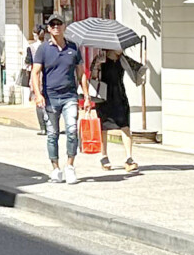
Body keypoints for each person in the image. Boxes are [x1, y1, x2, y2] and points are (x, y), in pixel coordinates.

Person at [28, 16, 85, 184]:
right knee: (52, 134)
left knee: (72, 130)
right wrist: (38, 95)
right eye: (52, 25)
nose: (56, 27)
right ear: (48, 29)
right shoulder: (43, 49)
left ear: (64, 26)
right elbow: (35, 73)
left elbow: (81, 73)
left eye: (59, 24)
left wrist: (87, 96)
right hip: (50, 97)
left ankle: (70, 167)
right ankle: (55, 169)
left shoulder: (73, 47)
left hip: (70, 96)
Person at [92, 47, 135, 173]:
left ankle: (129, 158)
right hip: (104, 97)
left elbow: (136, 72)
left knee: (125, 126)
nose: (121, 49)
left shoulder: (123, 60)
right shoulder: (100, 59)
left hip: (119, 96)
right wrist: (97, 66)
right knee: (103, 127)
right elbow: (93, 77)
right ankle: (104, 156)